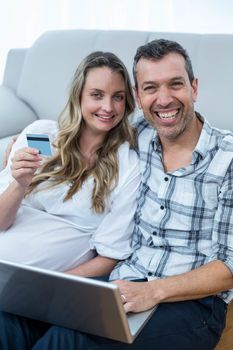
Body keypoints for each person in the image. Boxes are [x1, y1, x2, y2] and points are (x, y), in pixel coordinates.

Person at [0, 39, 233, 350]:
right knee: (9, 322)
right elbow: (88, 124)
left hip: (187, 301)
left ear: (194, 88)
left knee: (64, 342)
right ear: (139, 97)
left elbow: (229, 267)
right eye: (150, 88)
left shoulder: (226, 159)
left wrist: (155, 291)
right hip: (120, 284)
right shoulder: (139, 133)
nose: (164, 99)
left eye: (175, 85)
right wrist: (20, 143)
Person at [0, 51, 140, 276]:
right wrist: (19, 184)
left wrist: (54, 287)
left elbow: (110, 256)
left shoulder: (126, 164)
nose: (108, 107)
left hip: (41, 288)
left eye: (118, 97)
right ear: (78, 96)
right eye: (96, 95)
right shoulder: (43, 136)